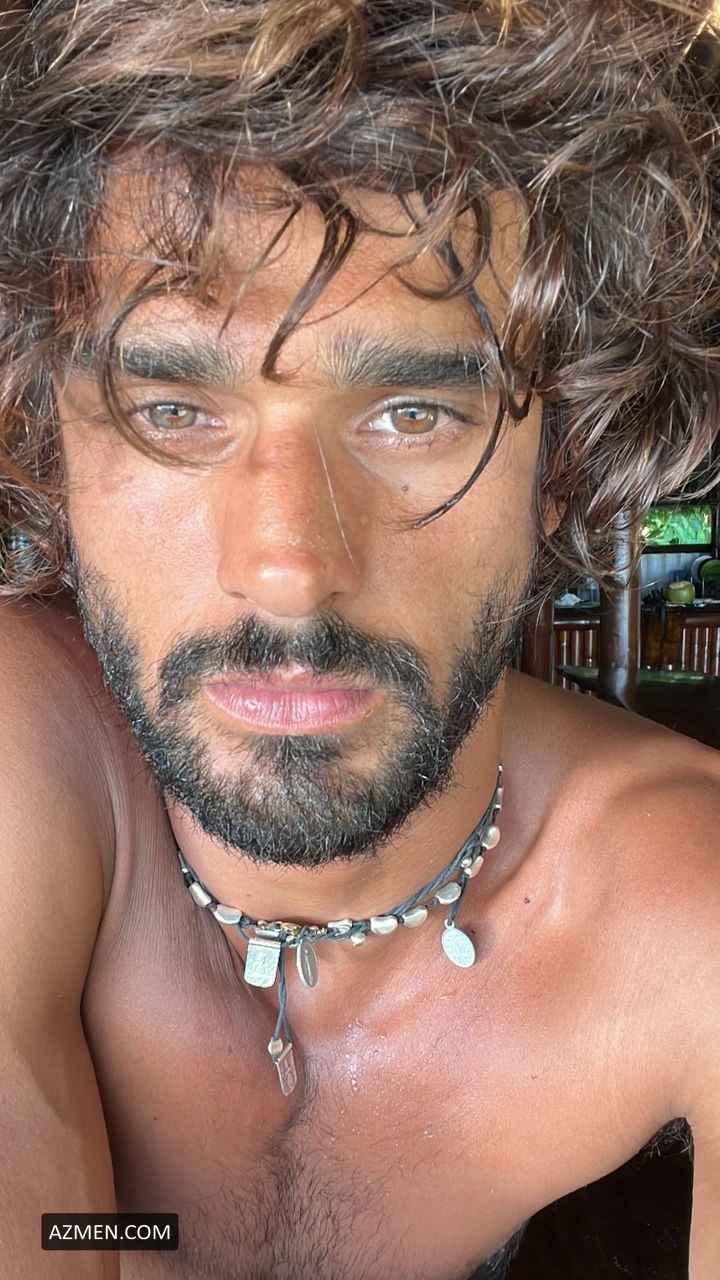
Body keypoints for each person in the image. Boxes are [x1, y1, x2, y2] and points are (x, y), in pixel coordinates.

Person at [0, 1, 719, 1277]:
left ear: (563, 455)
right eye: (172, 407)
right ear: (47, 446)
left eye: (412, 412)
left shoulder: (686, 908)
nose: (289, 569)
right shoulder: (25, 744)